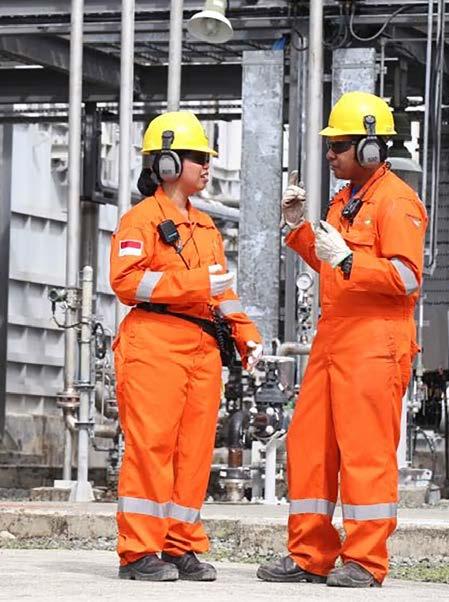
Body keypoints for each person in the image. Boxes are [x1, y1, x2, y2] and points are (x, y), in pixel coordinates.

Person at [257, 91, 427, 588]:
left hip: (375, 342)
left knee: (365, 452)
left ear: (370, 148)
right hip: (333, 339)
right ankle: (310, 555)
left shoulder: (397, 201)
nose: (329, 155)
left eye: (339, 146)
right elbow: (332, 264)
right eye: (329, 146)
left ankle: (365, 560)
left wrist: (351, 259)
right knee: (309, 447)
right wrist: (297, 227)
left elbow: (407, 277)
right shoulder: (344, 200)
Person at [111, 111, 263, 582]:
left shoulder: (205, 226)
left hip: (201, 347)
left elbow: (222, 292)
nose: (207, 166)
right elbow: (126, 282)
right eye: (199, 157)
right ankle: (139, 551)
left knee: (194, 453)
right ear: (168, 163)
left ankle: (179, 546)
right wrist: (194, 284)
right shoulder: (140, 221)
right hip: (154, 344)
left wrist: (245, 332)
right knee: (151, 447)